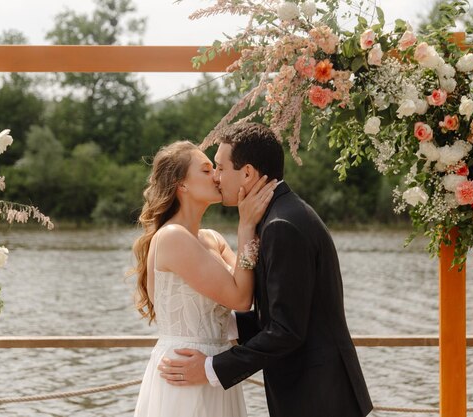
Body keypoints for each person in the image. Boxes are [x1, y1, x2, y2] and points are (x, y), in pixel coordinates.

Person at [158, 123, 374, 417]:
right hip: (313, 392)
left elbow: (286, 330)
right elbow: (278, 312)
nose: (218, 179)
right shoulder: (281, 215)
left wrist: (211, 368)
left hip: (318, 396)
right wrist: (214, 321)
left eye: (220, 168)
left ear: (246, 173)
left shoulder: (282, 225)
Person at [132, 140, 278, 417]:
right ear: (181, 184)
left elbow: (252, 286)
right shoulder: (173, 237)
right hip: (184, 371)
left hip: (213, 368)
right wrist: (246, 226)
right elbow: (241, 298)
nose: (217, 176)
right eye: (206, 169)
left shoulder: (213, 239)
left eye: (216, 168)